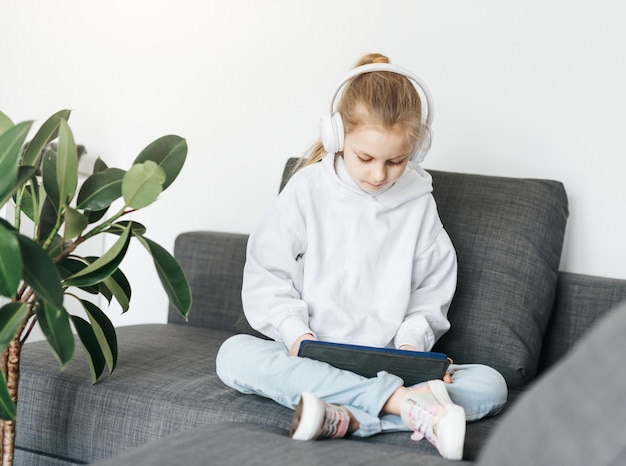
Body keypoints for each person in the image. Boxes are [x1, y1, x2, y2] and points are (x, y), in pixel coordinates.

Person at [216, 53, 507, 461]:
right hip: (312, 357)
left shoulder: (419, 203)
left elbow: (430, 292)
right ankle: (409, 407)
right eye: (365, 158)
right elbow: (268, 272)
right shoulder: (308, 189)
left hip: (389, 363)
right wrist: (296, 335)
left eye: (396, 161)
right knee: (234, 356)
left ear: (417, 150)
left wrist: (411, 347)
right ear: (337, 138)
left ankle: (349, 416)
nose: (378, 175)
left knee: (491, 383)